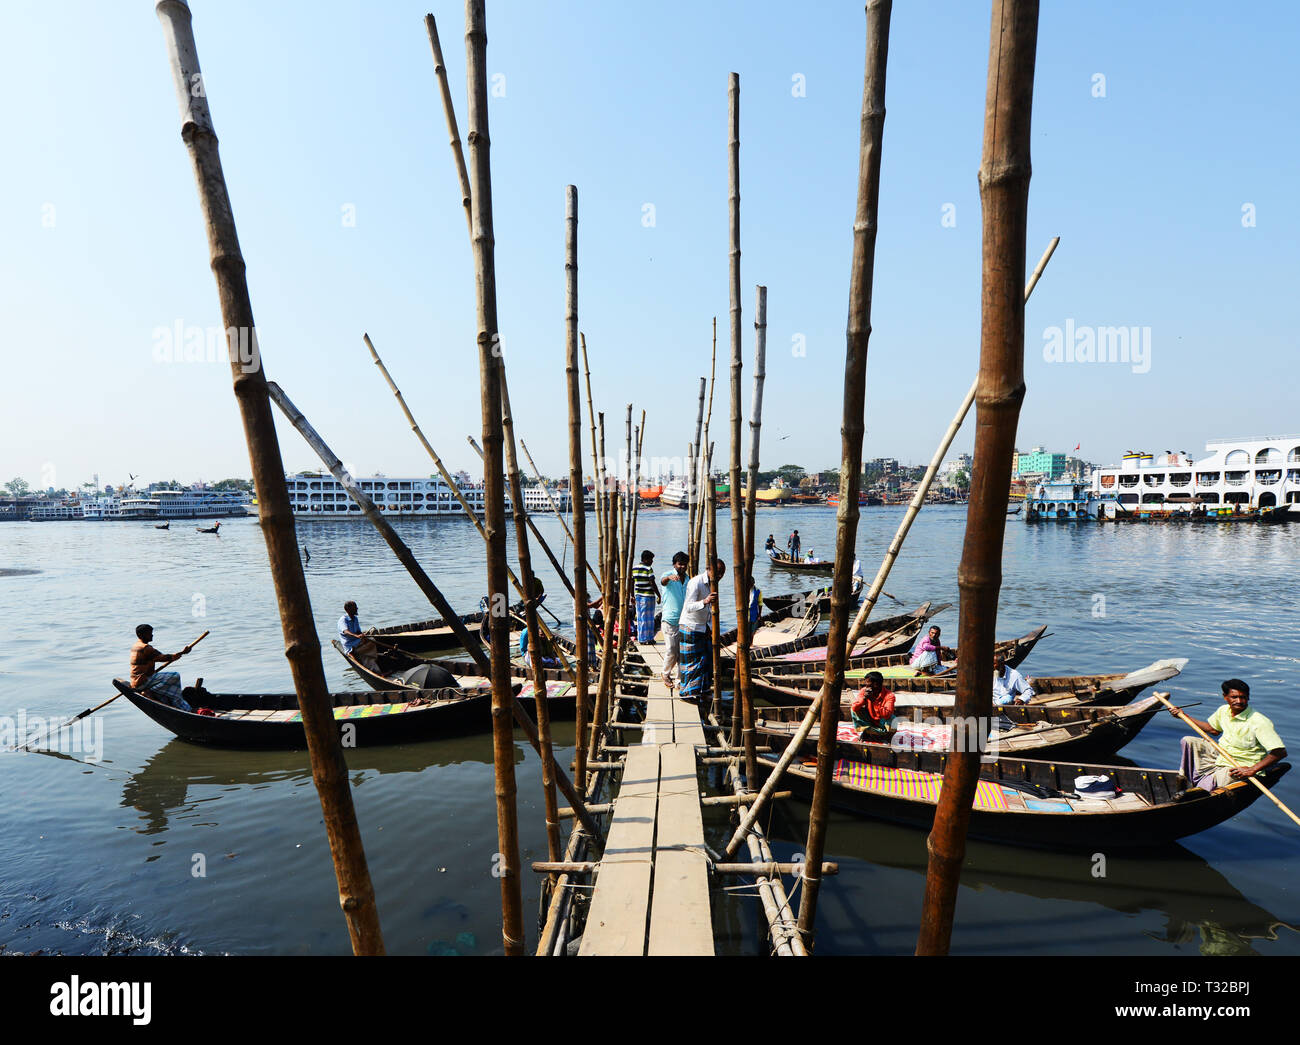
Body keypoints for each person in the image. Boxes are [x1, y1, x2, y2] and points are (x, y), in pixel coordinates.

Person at [1171, 679, 1286, 790]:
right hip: (1223, 755)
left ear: (1248, 697)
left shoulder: (1259, 721)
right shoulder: (1223, 710)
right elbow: (1213, 730)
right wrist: (1183, 716)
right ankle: (1186, 778)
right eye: (1234, 697)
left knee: (1205, 786)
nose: (1239, 701)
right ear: (1225, 697)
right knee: (1188, 741)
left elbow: (1280, 752)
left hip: (1240, 765)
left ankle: (1204, 784)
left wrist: (1252, 769)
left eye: (1243, 697)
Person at [678, 558, 725, 703]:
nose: (720, 577)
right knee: (691, 663)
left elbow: (710, 611)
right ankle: (687, 693)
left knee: (705, 662)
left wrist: (710, 627)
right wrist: (704, 601)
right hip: (690, 626)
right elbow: (688, 607)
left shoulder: (713, 584)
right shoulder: (696, 582)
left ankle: (702, 691)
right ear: (709, 570)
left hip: (703, 628)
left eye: (722, 574)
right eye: (718, 573)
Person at [129, 625, 197, 711]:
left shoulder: (135, 646)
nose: (152, 635)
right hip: (143, 681)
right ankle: (151, 691)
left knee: (165, 680)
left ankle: (158, 694)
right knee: (174, 676)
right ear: (141, 635)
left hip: (136, 681)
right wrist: (183, 652)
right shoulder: (146, 648)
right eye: (149, 633)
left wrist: (181, 653)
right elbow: (163, 657)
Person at [659, 552, 690, 688]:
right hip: (670, 619)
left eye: (684, 564)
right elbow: (662, 581)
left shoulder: (688, 579)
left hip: (684, 620)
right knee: (671, 649)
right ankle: (665, 673)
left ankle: (679, 679)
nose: (682, 567)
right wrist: (669, 578)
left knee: (681, 652)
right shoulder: (668, 576)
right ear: (674, 564)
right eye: (679, 564)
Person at [851, 671, 897, 738]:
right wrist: (864, 699)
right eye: (866, 685)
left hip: (882, 723)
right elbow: (854, 708)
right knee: (855, 709)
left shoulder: (889, 696)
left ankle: (887, 735)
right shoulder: (864, 691)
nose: (867, 687)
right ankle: (867, 731)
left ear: (877, 684)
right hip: (870, 721)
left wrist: (873, 700)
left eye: (869, 685)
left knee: (892, 718)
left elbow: (886, 715)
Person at [630, 550, 661, 643]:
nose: (652, 562)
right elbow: (652, 582)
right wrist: (658, 594)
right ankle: (649, 638)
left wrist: (632, 595)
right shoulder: (648, 569)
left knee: (640, 617)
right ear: (645, 559)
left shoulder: (634, 568)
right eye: (651, 559)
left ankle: (641, 638)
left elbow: (632, 583)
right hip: (648, 596)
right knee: (649, 618)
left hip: (638, 596)